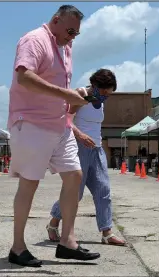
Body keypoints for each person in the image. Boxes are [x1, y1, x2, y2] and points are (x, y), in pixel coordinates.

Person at [7, 5, 100, 267]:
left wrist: (77, 94)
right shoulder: (34, 39)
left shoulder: (65, 46)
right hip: (32, 121)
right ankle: (17, 248)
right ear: (56, 20)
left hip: (60, 124)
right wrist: (65, 95)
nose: (72, 37)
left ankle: (67, 242)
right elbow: (24, 77)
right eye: (70, 31)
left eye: (76, 34)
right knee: (29, 182)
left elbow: (61, 86)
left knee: (74, 175)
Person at [47, 69, 126, 246]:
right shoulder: (81, 94)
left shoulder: (101, 102)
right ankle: (53, 223)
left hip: (97, 150)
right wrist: (80, 135)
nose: (106, 96)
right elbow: (66, 120)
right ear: (95, 85)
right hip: (79, 148)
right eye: (104, 92)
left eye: (109, 94)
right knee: (76, 193)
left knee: (103, 190)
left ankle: (106, 233)